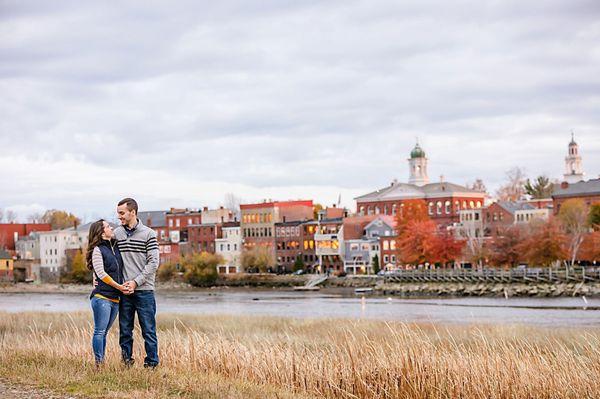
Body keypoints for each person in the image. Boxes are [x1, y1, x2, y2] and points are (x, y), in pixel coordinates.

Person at [114, 198, 160, 368]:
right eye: (118, 213)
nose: (119, 217)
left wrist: (135, 282)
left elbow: (154, 263)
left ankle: (152, 364)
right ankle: (126, 363)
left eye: (122, 213)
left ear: (132, 212)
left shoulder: (149, 234)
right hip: (124, 291)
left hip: (144, 291)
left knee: (148, 330)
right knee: (125, 331)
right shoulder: (117, 234)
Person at [87, 219, 130, 366]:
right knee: (99, 332)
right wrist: (119, 286)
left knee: (104, 332)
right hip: (101, 298)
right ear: (101, 232)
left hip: (115, 299)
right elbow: (101, 272)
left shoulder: (115, 246)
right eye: (107, 226)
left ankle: (101, 362)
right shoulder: (97, 249)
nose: (111, 228)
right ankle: (99, 364)